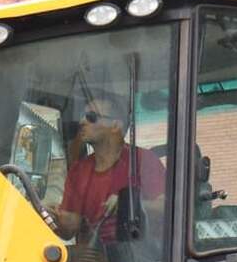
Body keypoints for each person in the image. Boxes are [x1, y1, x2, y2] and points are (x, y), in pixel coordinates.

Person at [53, 91, 167, 245]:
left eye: (91, 117)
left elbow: (166, 206)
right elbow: (69, 229)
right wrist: (51, 215)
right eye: (82, 116)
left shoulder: (143, 161)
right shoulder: (78, 171)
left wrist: (129, 203)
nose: (81, 121)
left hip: (142, 258)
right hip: (95, 261)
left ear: (115, 125)